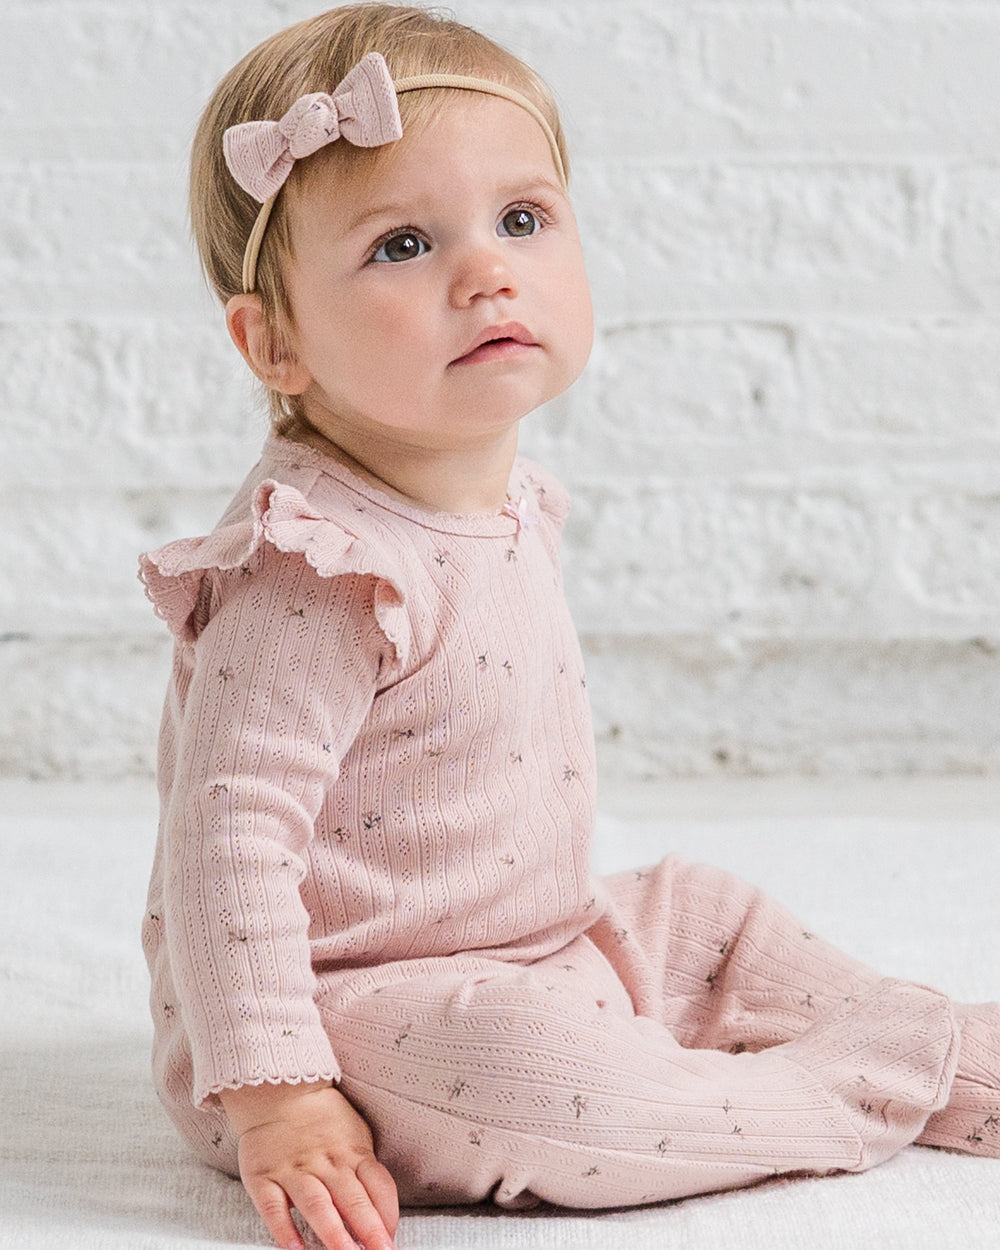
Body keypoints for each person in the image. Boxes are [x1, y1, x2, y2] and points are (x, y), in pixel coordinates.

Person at [138, 6, 1000, 1250]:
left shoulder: (500, 495)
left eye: (522, 221)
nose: (486, 270)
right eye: (402, 243)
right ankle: (849, 1089)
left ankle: (936, 1037)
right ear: (272, 342)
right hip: (349, 1015)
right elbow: (222, 842)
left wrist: (586, 950)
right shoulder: (316, 568)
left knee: (702, 911)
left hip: (546, 937)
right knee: (550, 1083)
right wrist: (279, 1096)